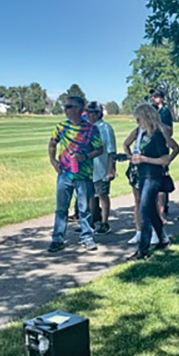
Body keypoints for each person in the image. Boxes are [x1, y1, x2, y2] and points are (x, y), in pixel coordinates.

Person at [48, 95, 103, 253]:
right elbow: (52, 143)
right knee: (61, 208)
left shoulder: (91, 129)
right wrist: (53, 161)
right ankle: (57, 238)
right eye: (65, 107)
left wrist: (84, 157)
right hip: (65, 174)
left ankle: (87, 237)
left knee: (84, 208)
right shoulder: (61, 127)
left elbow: (100, 149)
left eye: (69, 107)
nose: (66, 110)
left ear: (79, 109)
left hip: (83, 175)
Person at [130, 104, 179, 259]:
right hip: (142, 174)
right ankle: (163, 238)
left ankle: (143, 249)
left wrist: (144, 159)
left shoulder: (157, 135)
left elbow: (164, 159)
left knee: (144, 209)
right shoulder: (142, 134)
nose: (138, 122)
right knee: (150, 208)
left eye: (139, 118)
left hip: (153, 175)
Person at [86, 101, 116, 235]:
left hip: (102, 168)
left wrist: (111, 169)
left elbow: (111, 150)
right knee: (90, 196)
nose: (91, 115)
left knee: (103, 195)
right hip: (89, 169)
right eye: (89, 112)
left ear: (99, 113)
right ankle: (92, 221)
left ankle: (105, 222)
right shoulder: (86, 127)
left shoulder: (105, 128)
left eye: (94, 112)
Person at [150, 88, 174, 215]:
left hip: (162, 147)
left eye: (156, 96)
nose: (153, 98)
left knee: (162, 175)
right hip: (152, 147)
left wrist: (158, 125)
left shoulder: (165, 112)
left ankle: (164, 205)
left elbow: (169, 131)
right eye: (152, 96)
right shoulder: (152, 110)